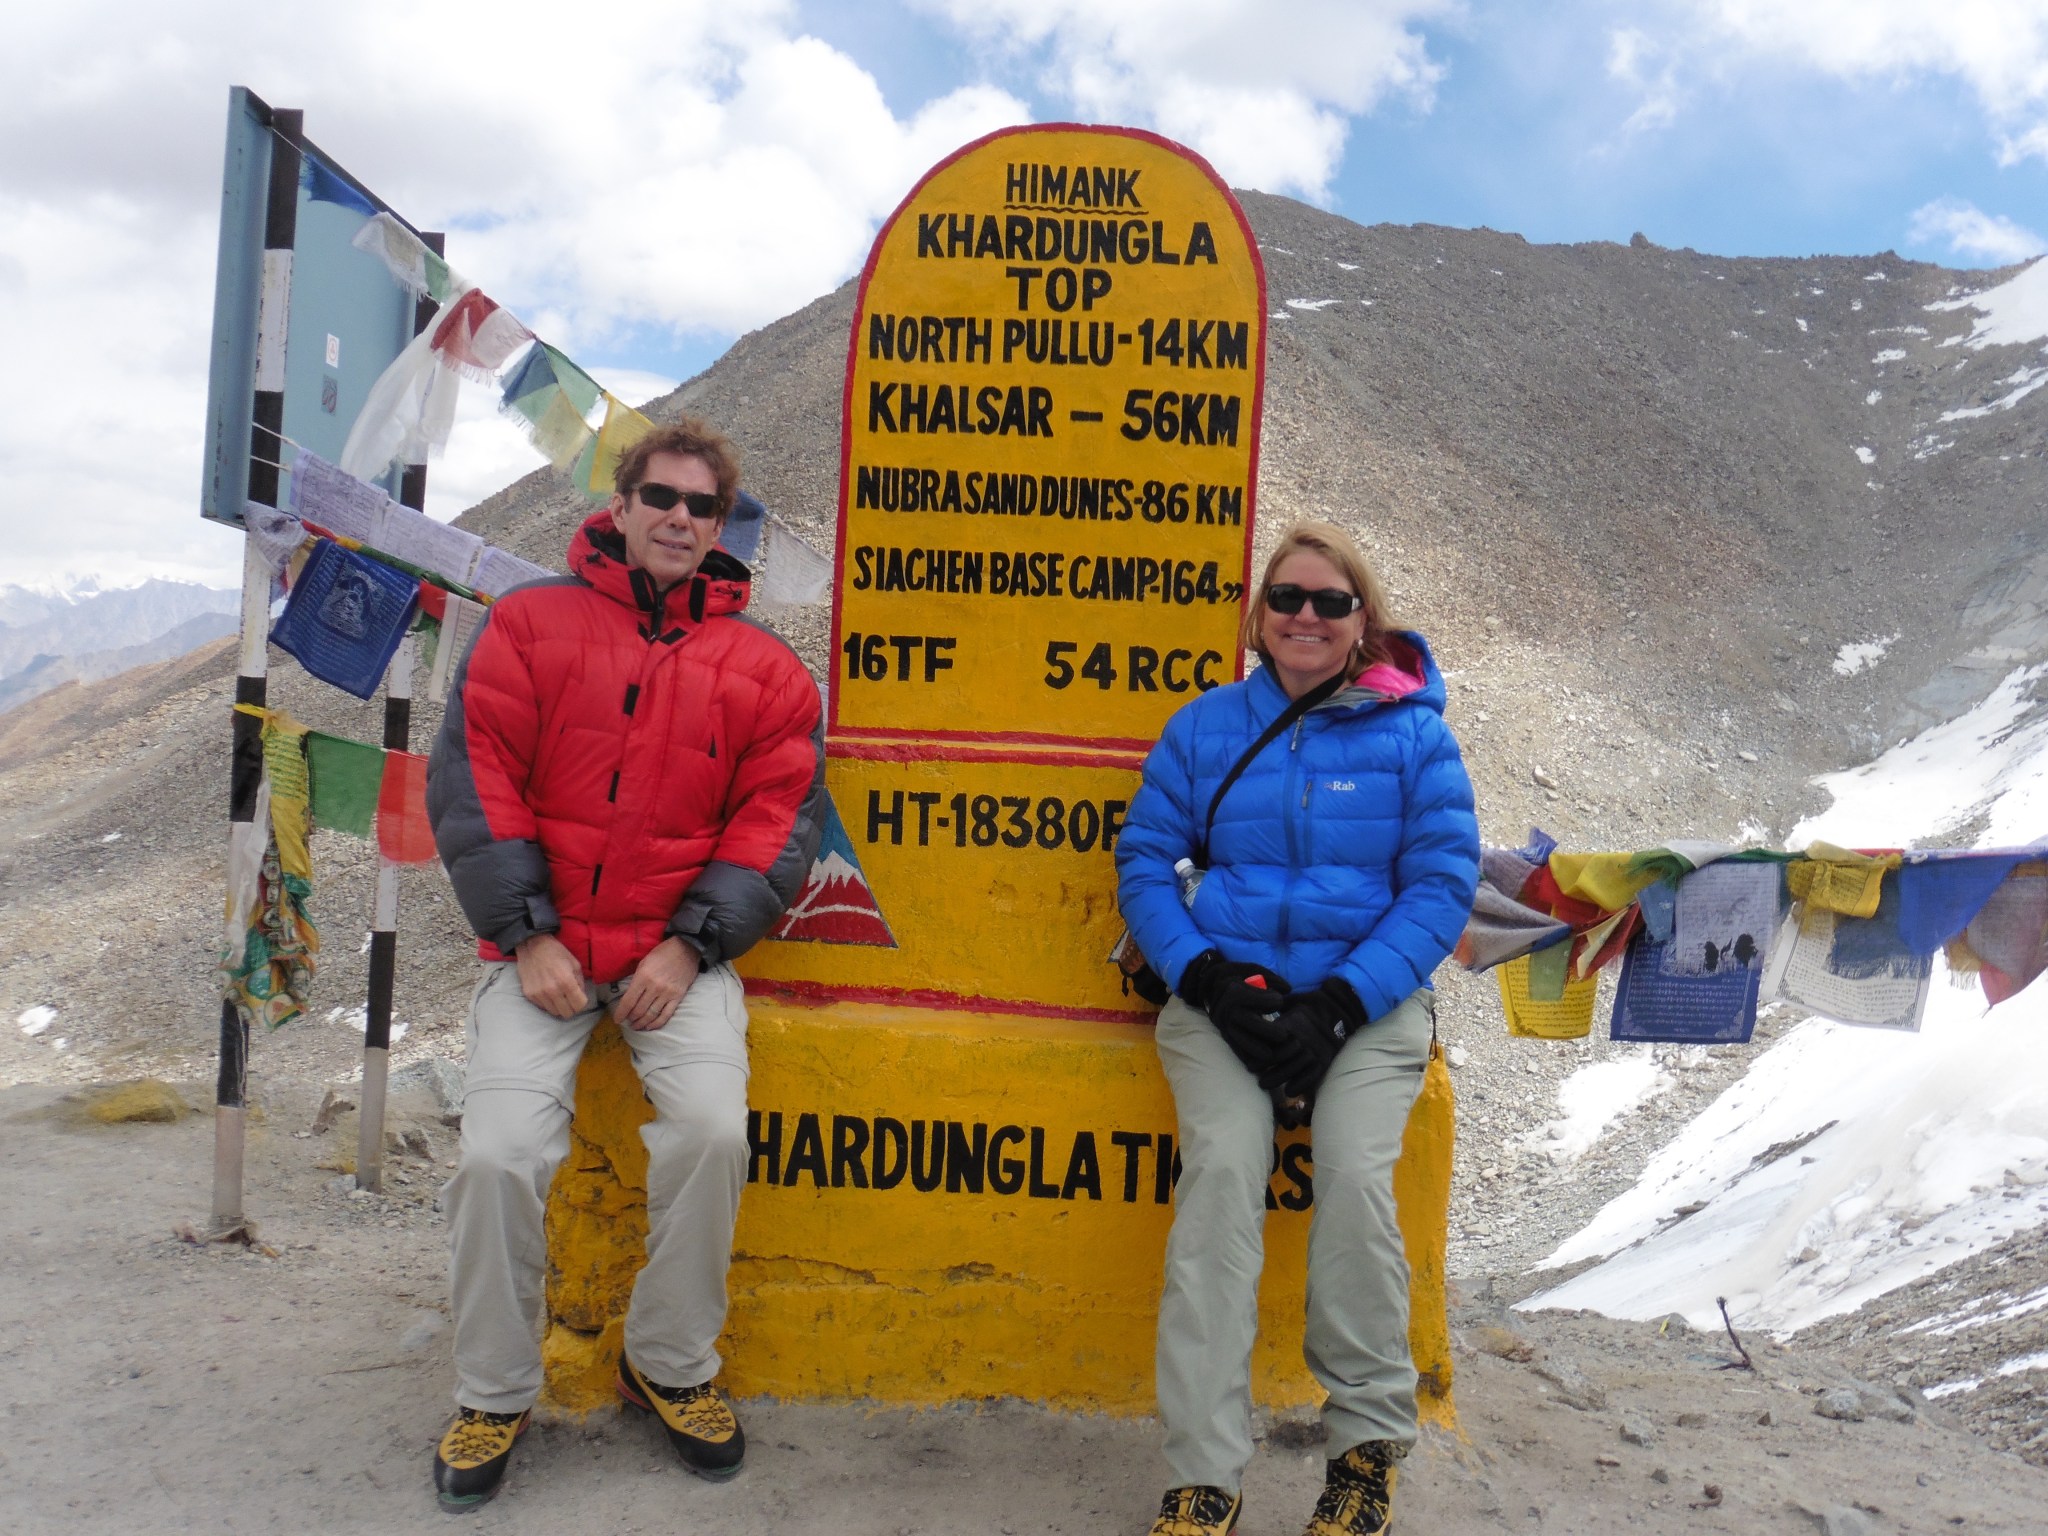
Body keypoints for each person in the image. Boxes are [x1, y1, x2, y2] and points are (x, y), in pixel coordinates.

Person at [425, 418, 825, 1511]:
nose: (680, 520)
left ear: (720, 526)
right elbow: (475, 781)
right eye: (661, 498)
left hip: (676, 958)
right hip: (540, 950)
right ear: (620, 504)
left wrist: (693, 947)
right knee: (500, 1154)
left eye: (703, 507)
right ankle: (493, 1389)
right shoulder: (526, 625)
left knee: (710, 1133)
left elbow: (774, 824)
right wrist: (527, 933)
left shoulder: (766, 670)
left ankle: (670, 1358)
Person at [1115, 520, 1479, 1536]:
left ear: (1364, 619)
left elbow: (1441, 886)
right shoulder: (1202, 728)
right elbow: (1144, 859)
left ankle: (1364, 1451)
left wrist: (1341, 1001)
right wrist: (1203, 976)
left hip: (1363, 1006)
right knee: (1221, 1180)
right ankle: (1202, 1474)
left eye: (1328, 601)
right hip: (1222, 998)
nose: (1305, 618)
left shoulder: (1415, 738)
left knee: (1356, 1181)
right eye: (1286, 599)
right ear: (1258, 616)